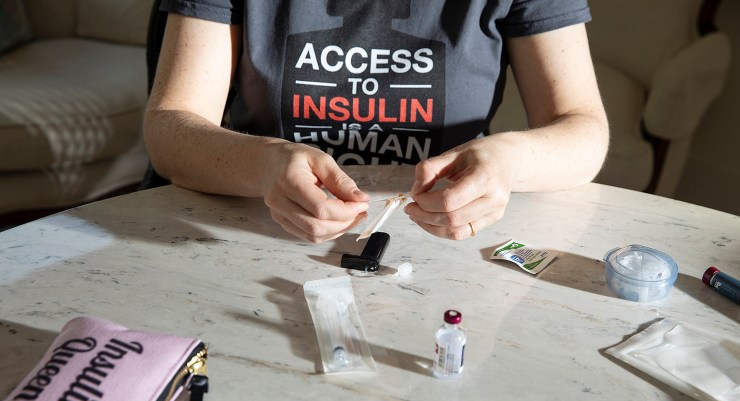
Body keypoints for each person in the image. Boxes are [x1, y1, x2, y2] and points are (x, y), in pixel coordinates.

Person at [144, 0, 609, 243]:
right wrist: (267, 164)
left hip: (447, 243)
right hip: (255, 228)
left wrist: (507, 160)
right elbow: (169, 130)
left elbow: (583, 130)